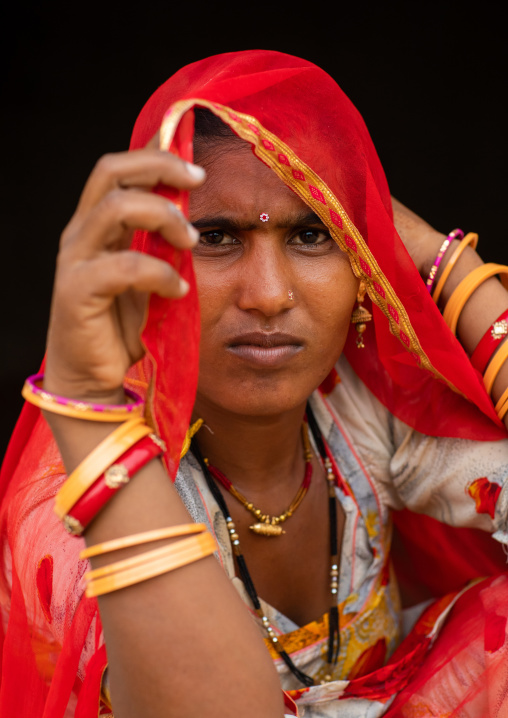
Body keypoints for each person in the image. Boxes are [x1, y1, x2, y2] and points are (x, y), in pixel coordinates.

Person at [1, 50, 508, 718]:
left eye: (310, 232)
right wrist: (89, 411)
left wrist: (438, 258)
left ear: (364, 263)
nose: (268, 295)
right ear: (143, 257)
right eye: (214, 236)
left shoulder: (358, 414)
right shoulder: (77, 512)